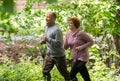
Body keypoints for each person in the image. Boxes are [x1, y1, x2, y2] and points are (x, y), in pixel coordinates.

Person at [39, 12, 70, 81]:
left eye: (48, 17)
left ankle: (72, 79)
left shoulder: (57, 30)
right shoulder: (47, 27)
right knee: (45, 71)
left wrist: (47, 39)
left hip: (58, 55)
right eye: (46, 16)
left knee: (64, 73)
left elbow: (59, 43)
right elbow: (48, 38)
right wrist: (44, 41)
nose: (46, 18)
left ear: (54, 19)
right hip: (49, 54)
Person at [64, 17, 94, 81]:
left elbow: (91, 42)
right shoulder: (68, 34)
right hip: (75, 58)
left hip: (82, 58)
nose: (69, 24)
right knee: (86, 77)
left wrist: (81, 47)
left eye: (71, 23)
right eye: (69, 23)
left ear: (75, 24)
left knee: (71, 75)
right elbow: (65, 47)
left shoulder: (81, 33)